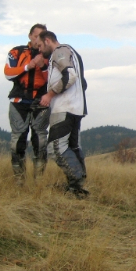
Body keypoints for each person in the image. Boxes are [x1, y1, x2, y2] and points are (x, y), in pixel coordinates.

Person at [38, 31, 88, 196]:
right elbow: (83, 83)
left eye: (40, 45)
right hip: (76, 108)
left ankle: (77, 183)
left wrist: (49, 95)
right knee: (73, 146)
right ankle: (77, 187)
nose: (39, 50)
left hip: (65, 108)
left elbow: (70, 76)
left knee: (56, 148)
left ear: (47, 40)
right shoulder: (73, 53)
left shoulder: (60, 51)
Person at [4, 24, 50, 182]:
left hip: (41, 101)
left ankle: (39, 181)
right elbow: (8, 73)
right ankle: (19, 180)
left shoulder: (50, 54)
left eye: (42, 37)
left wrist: (42, 66)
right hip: (19, 100)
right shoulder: (16, 52)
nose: (39, 40)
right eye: (36, 36)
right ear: (30, 36)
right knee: (17, 140)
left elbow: (52, 80)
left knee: (41, 140)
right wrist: (27, 66)